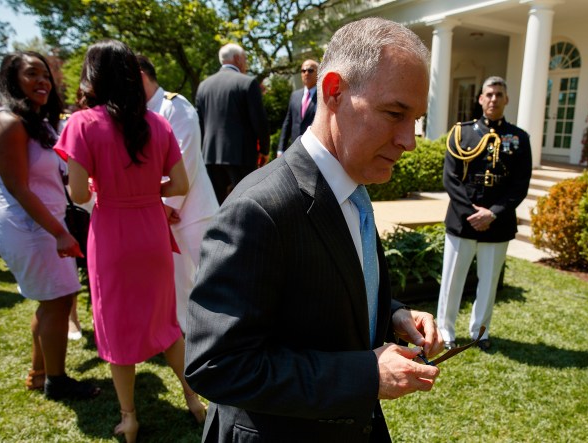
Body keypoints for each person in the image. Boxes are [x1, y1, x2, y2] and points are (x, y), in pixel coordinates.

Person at [185, 17, 443, 442]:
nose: (409, 140)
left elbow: (327, 284)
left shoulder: (352, 186)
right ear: (333, 91)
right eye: (395, 113)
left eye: (414, 118)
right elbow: (217, 364)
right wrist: (365, 374)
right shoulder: (259, 208)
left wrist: (392, 312)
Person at [56, 40, 205, 443]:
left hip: (112, 235)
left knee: (116, 329)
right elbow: (180, 183)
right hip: (152, 232)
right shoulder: (158, 123)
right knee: (167, 324)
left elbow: (79, 196)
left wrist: (105, 185)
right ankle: (194, 400)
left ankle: (130, 418)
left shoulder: (82, 124)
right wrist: (144, 190)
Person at [0, 51, 100, 400]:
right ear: (11, 79)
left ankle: (40, 372)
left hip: (46, 224)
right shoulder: (6, 123)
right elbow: (19, 188)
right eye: (32, 74)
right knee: (58, 300)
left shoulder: (35, 121)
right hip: (29, 228)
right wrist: (60, 232)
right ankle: (57, 381)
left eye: (46, 74)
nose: (43, 81)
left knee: (55, 299)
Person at [436, 76, 532, 352]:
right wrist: (471, 213)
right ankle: (446, 330)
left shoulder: (519, 138)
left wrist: (492, 213)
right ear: (480, 99)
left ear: (506, 100)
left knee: (489, 283)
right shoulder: (461, 134)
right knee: (453, 280)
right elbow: (451, 178)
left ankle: (481, 331)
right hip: (462, 220)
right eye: (488, 94)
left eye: (499, 94)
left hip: (497, 223)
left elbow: (519, 184)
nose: (493, 99)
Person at [137, 54, 218, 332]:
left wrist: (167, 204)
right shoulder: (138, 115)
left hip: (194, 211)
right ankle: (188, 337)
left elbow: (187, 159)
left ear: (140, 76)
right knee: (177, 284)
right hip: (162, 215)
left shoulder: (175, 105)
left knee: (212, 277)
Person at [195, 43, 270, 204]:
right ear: (237, 59)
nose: (246, 63)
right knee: (245, 203)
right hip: (241, 155)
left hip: (211, 156)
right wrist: (264, 150)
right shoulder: (248, 83)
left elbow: (199, 124)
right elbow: (259, 121)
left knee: (217, 206)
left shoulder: (203, 86)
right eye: (245, 59)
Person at [276, 59, 319, 157]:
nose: (306, 73)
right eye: (303, 71)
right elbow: (288, 122)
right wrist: (280, 149)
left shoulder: (322, 96)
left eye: (310, 70)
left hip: (314, 150)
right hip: (295, 149)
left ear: (318, 72)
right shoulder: (295, 95)